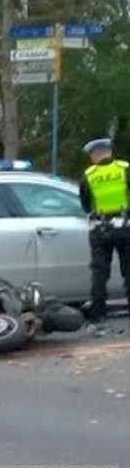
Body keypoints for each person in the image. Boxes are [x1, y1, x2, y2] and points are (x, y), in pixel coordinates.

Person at [78, 137, 130, 336]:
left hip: (100, 230)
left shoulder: (88, 175)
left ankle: (98, 315)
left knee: (100, 273)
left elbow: (84, 203)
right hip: (125, 227)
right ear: (109, 151)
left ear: (94, 155)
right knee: (129, 271)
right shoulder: (124, 169)